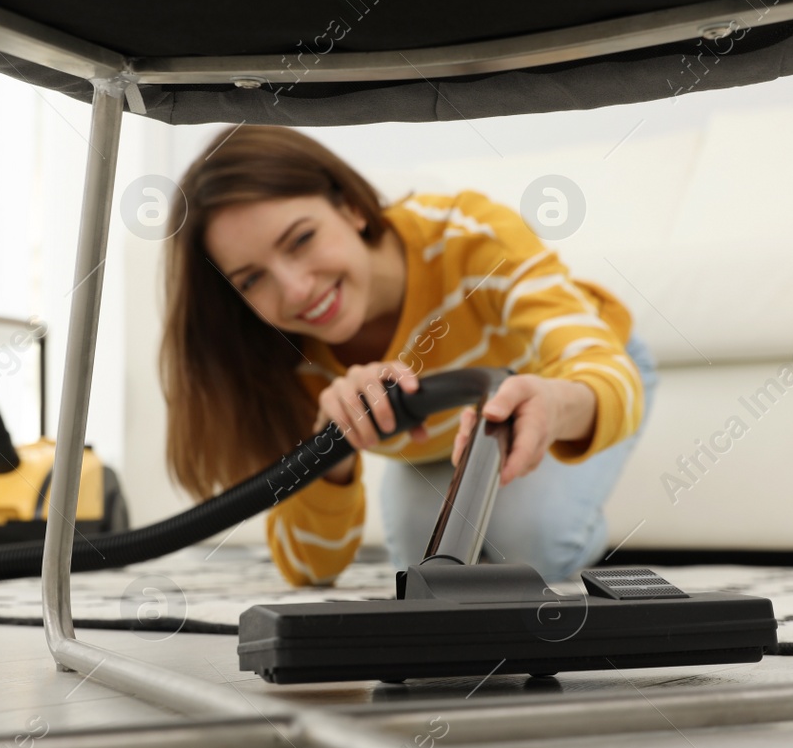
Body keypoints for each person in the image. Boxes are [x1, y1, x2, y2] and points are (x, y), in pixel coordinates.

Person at [159, 126, 658, 586]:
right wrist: (329, 451)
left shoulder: (472, 237)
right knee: (426, 571)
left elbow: (600, 367)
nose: (295, 291)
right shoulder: (276, 350)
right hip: (437, 440)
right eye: (251, 280)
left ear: (352, 207)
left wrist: (555, 403)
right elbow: (308, 568)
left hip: (572, 381)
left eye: (302, 239)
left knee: (532, 548)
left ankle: (575, 525)